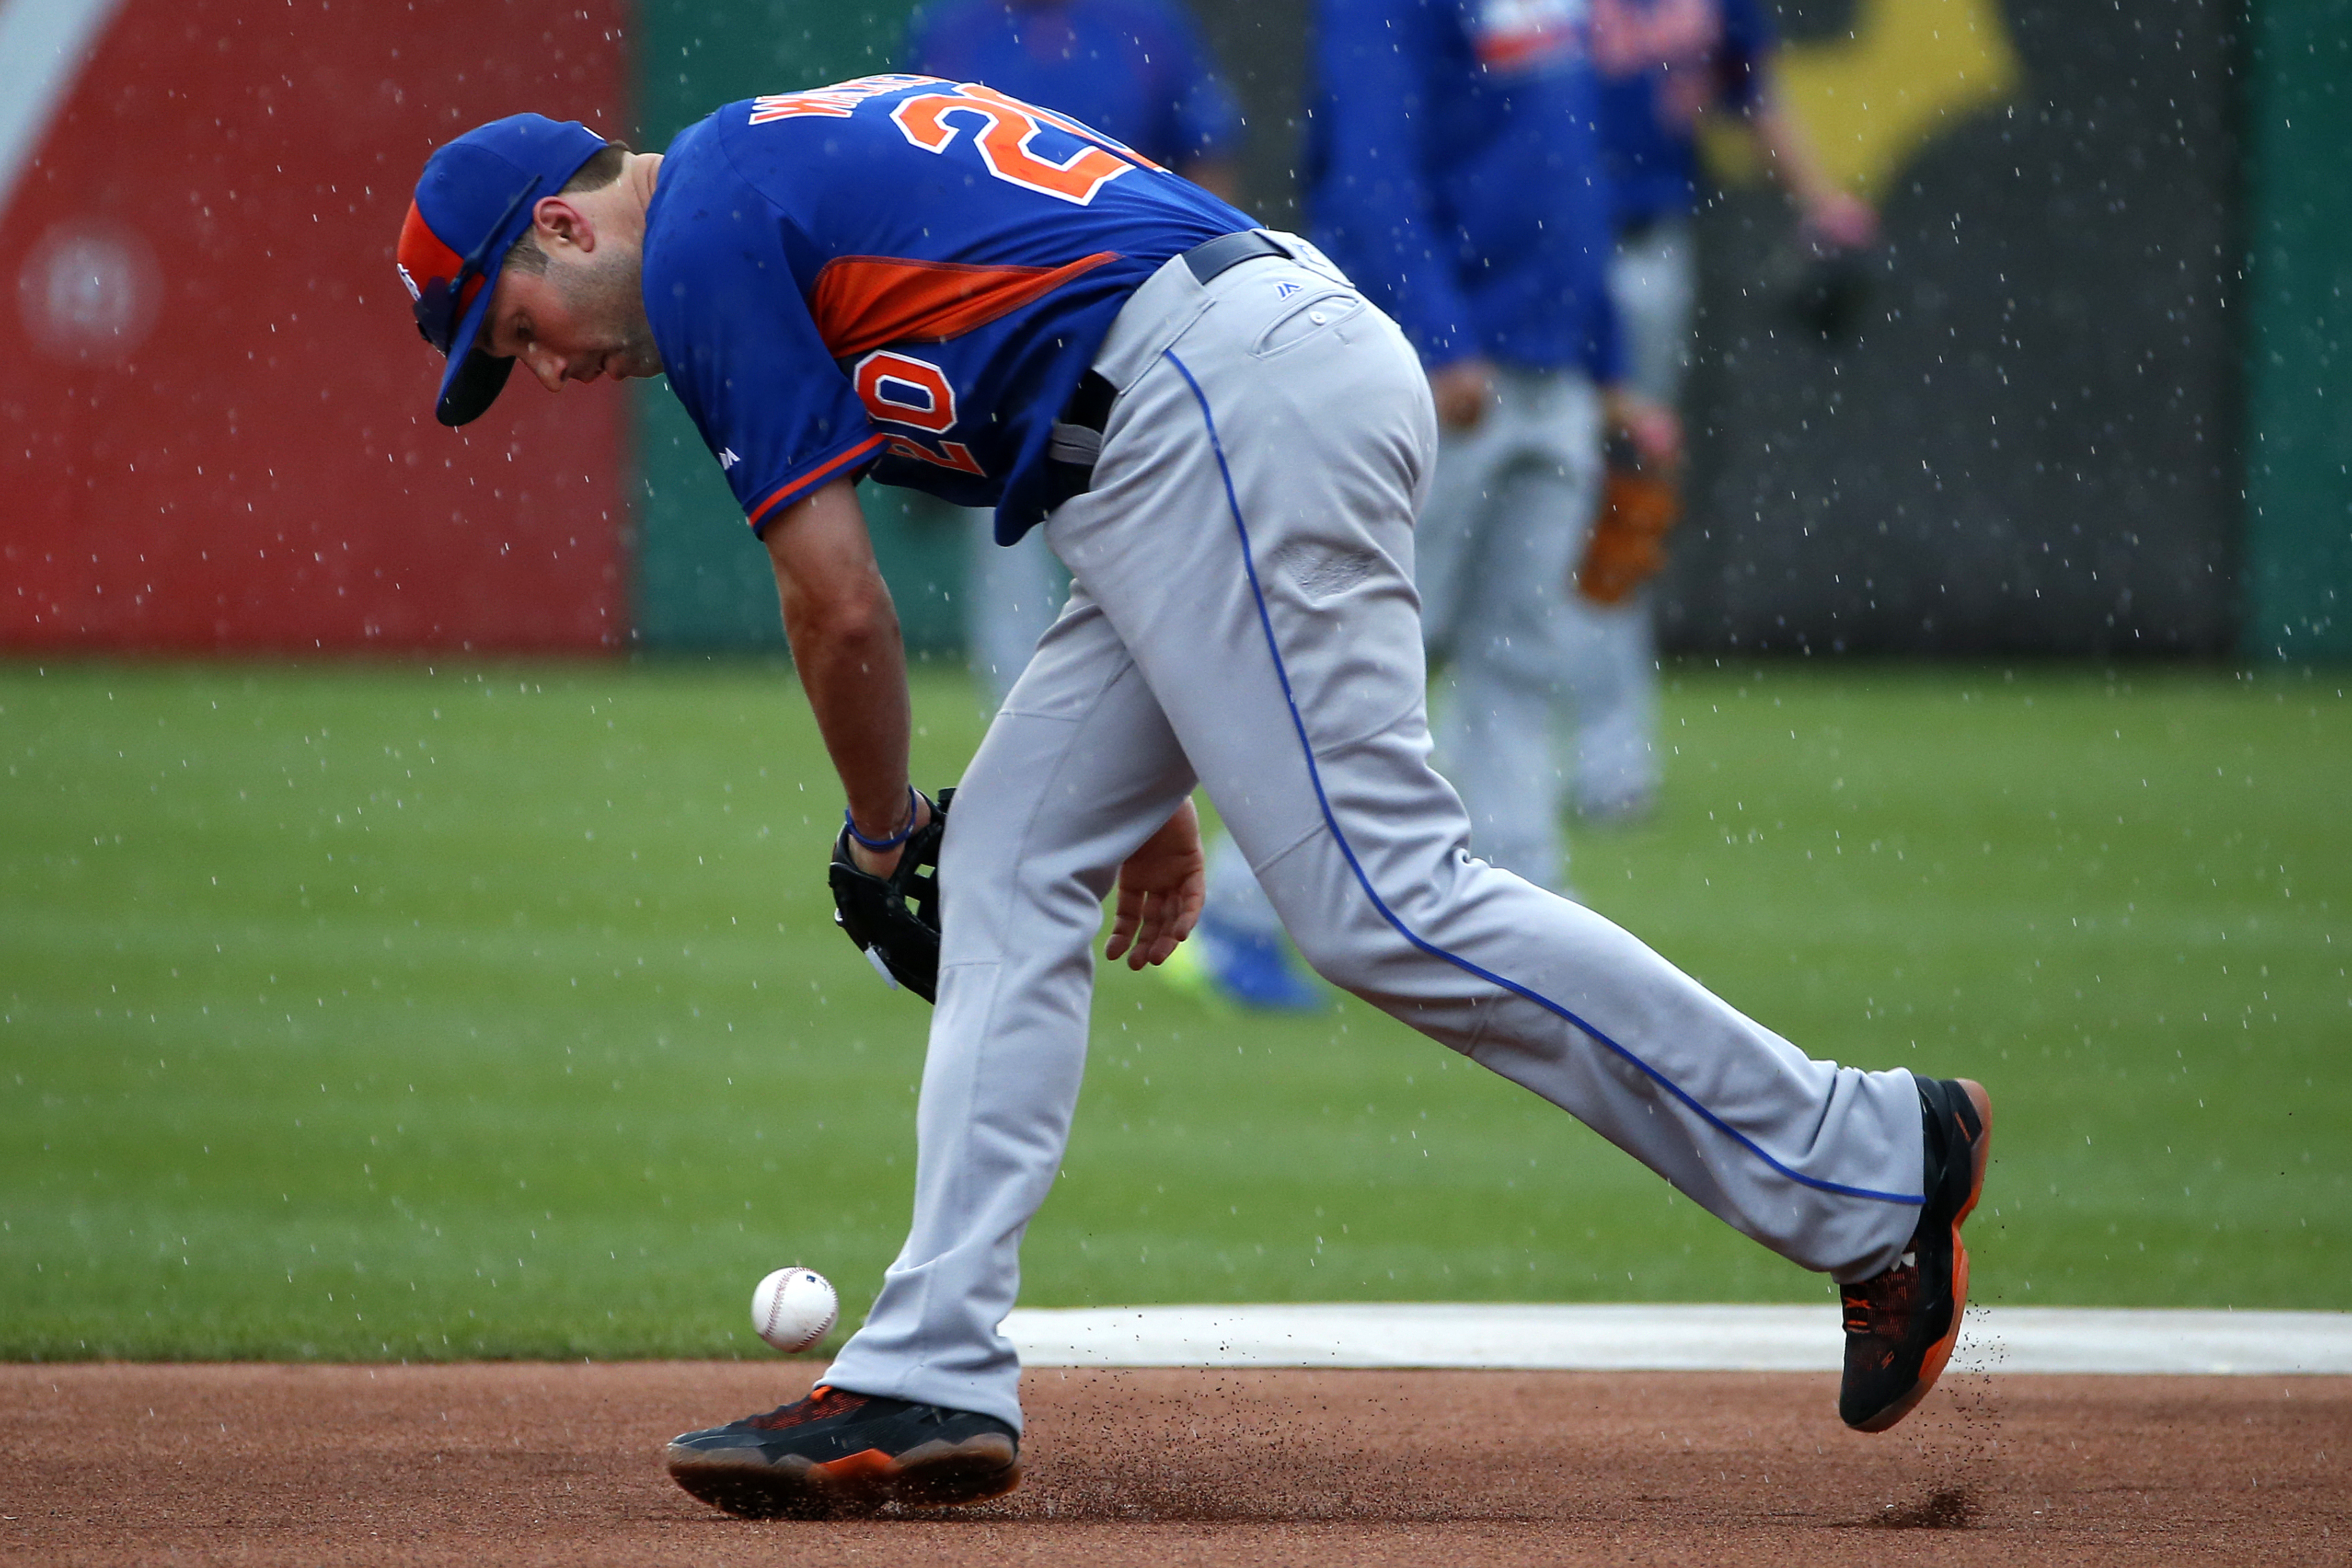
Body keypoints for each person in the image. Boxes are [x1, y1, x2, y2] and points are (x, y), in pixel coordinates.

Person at [393, 90, 1989, 1519]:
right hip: (1205, 406)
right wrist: (1148, 775)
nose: (538, 369)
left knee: (1377, 902)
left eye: (511, 325)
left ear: (561, 219)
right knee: (1017, 854)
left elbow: (843, 611)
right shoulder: (776, 170)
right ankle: (932, 1367)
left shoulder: (703, 240)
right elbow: (1065, 377)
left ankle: (1864, 1158)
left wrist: (884, 833)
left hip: (1223, 405)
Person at [1176, 0, 1685, 1009]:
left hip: (1548, 370)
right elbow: (1369, 168)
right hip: (1438, 373)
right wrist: (1436, 335)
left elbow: (1571, 175)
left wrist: (1608, 364)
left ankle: (1530, 918)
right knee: (1367, 652)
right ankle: (1235, 908)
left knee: (1521, 655)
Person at [1578, 0, 1882, 814]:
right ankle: (1487, 750)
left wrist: (1823, 202)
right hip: (1531, 257)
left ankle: (1609, 764)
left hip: (1644, 250)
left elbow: (1752, 90)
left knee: (1619, 500)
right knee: (1511, 495)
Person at [902, 0, 1244, 705]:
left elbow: (1206, 153)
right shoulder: (953, 23)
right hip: (995, 321)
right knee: (1008, 540)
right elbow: (908, 178)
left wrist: (1209, 294)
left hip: (1133, 311)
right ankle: (1027, 724)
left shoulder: (1144, 21)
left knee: (1149, 524)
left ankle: (1160, 709)